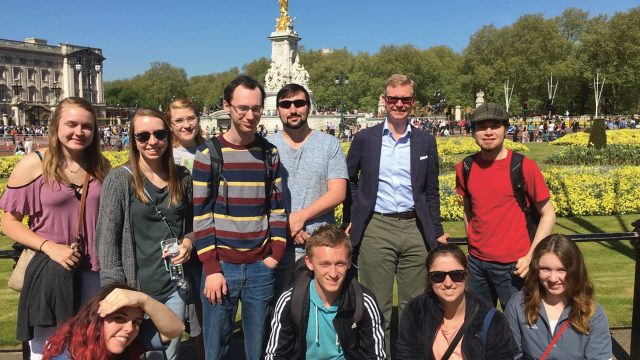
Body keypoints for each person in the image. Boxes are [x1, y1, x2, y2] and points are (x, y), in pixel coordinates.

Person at [343, 73, 448, 357]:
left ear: (413, 102)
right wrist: (353, 215)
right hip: (377, 226)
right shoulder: (366, 138)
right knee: (377, 306)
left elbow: (431, 190)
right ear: (384, 101)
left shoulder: (425, 141)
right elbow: (348, 178)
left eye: (406, 99)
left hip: (415, 227)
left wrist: (436, 230)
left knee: (415, 305)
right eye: (393, 99)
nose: (399, 104)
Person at [1, 98, 109, 359]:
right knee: (48, 347)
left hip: (94, 269)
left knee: (90, 345)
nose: (79, 132)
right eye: (71, 124)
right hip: (51, 269)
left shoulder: (101, 166)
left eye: (87, 126)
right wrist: (49, 247)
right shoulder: (34, 164)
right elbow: (8, 222)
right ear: (56, 126)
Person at [192, 75, 286, 360]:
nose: (250, 115)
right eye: (242, 108)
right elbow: (201, 214)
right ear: (227, 106)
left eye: (256, 108)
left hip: (260, 266)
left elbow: (277, 208)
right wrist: (211, 266)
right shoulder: (208, 153)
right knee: (215, 350)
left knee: (257, 350)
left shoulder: (269, 153)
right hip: (222, 267)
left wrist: (275, 255)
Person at [96, 108, 195, 360]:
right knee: (136, 354)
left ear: (168, 137)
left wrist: (188, 242)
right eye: (143, 136)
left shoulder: (182, 178)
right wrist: (115, 294)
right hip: (133, 287)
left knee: (168, 354)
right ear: (133, 139)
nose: (152, 142)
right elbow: (107, 242)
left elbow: (194, 226)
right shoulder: (120, 179)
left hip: (173, 286)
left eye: (159, 134)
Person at [455, 103, 556, 310]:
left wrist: (530, 257)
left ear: (505, 129)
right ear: (473, 131)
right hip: (476, 264)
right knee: (480, 328)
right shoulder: (465, 167)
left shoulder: (523, 166)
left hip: (515, 266)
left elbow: (548, 214)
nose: (489, 132)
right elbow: (468, 211)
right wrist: (473, 245)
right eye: (482, 127)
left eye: (495, 126)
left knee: (518, 330)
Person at [267, 83, 347, 299]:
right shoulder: (266, 146)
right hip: (276, 245)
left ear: (308, 107)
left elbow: (338, 192)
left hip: (320, 245)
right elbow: (260, 196)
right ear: (278, 111)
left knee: (318, 314)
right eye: (286, 104)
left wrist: (300, 217)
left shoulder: (329, 144)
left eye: (299, 103)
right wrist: (287, 225)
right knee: (279, 317)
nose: (293, 110)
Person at [265, 224, 386, 359]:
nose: (333, 273)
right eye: (325, 264)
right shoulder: (290, 300)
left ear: (349, 262)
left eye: (339, 264)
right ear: (309, 262)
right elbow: (275, 355)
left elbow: (376, 356)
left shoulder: (363, 301)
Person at [396, 244, 518, 359]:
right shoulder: (416, 311)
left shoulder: (491, 319)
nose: (448, 283)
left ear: (466, 275)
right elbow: (406, 354)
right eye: (438, 276)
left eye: (456, 275)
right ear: (429, 278)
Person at [505, 234, 612, 359]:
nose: (553, 278)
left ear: (576, 270)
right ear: (535, 268)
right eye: (545, 269)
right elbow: (510, 355)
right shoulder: (517, 305)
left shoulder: (593, 313)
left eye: (562, 270)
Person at [42, 283, 185, 360]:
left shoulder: (129, 339)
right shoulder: (66, 356)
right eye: (119, 318)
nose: (129, 328)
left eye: (136, 322)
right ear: (97, 319)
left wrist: (144, 300)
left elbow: (176, 329)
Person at [167, 98, 205, 173]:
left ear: (198, 120)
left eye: (191, 118)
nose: (187, 125)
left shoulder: (213, 151)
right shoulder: (164, 154)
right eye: (179, 121)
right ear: (170, 126)